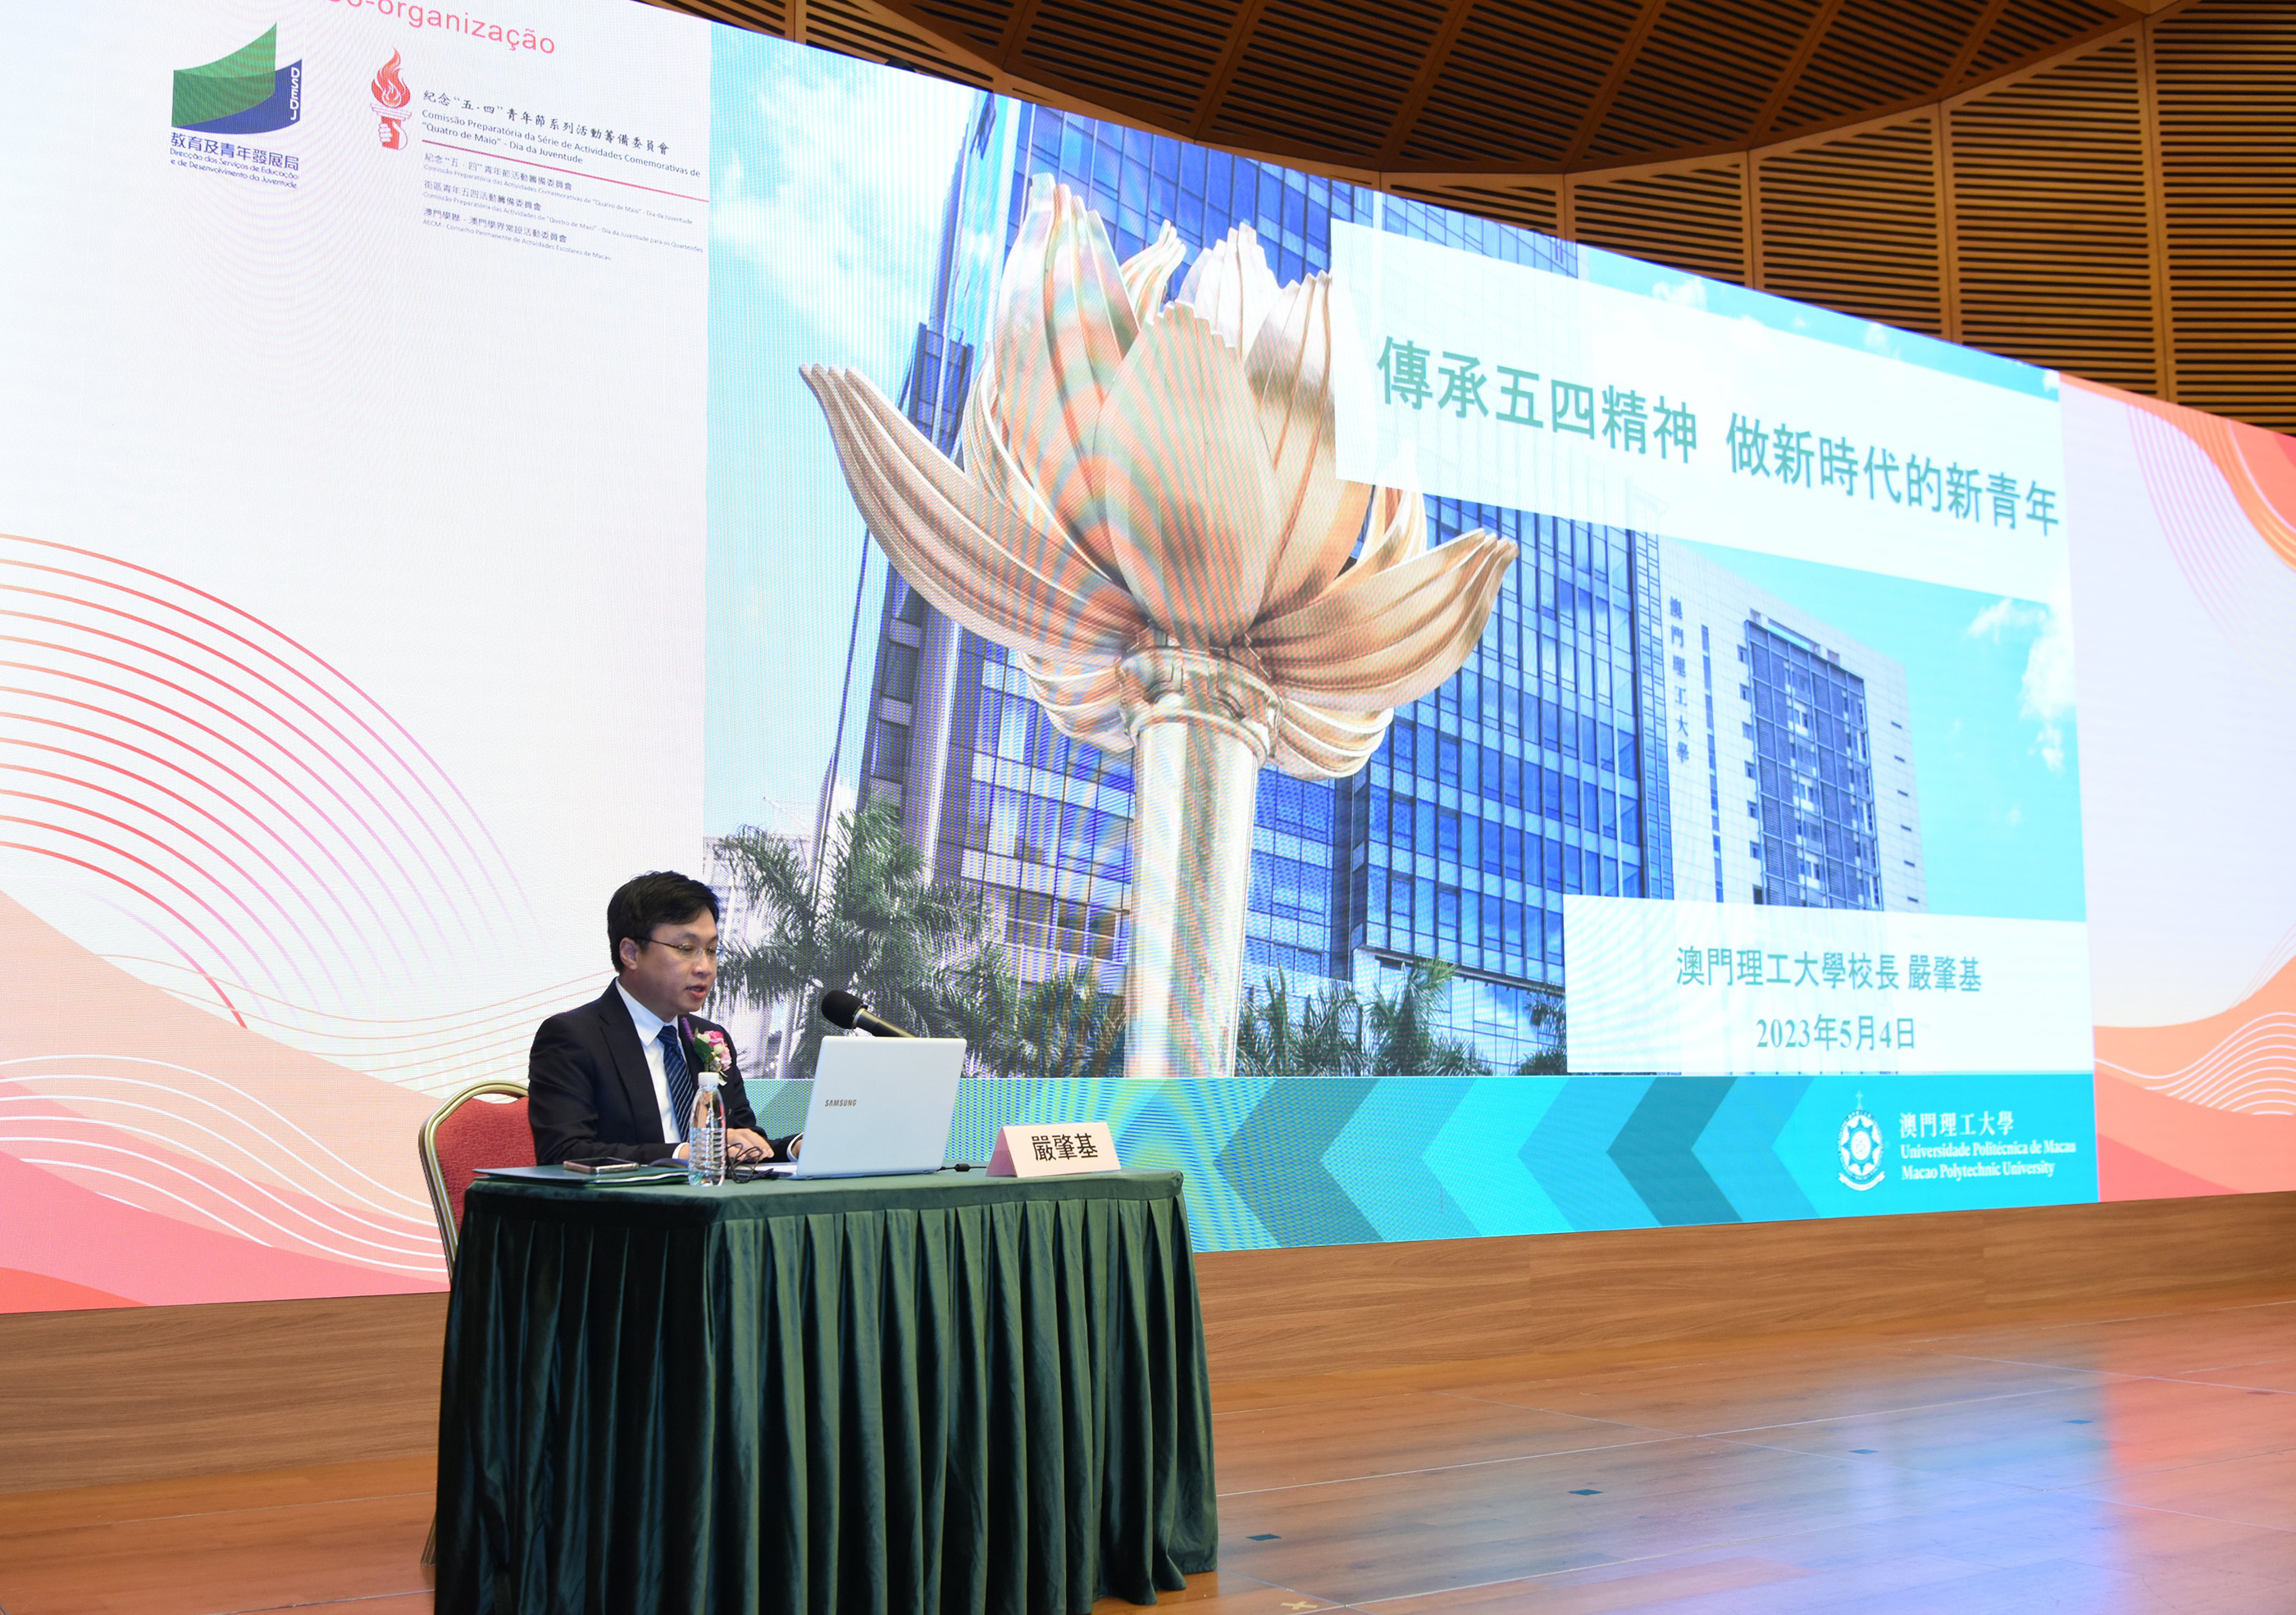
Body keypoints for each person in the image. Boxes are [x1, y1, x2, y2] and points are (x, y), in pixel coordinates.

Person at [527, 871, 791, 1166]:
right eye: (686, 949)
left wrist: (795, 1148)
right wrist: (685, 1154)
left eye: (712, 950)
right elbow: (563, 1153)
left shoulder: (711, 1038)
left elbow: (742, 1140)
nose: (705, 967)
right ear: (631, 953)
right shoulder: (573, 1037)